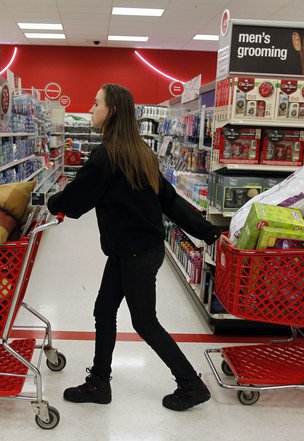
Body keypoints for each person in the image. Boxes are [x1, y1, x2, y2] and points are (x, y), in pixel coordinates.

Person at [47, 84, 220, 411]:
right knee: (104, 310)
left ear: (112, 111)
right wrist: (208, 232)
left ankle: (191, 384)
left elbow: (75, 200)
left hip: (135, 253)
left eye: (96, 103)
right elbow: (171, 202)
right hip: (135, 250)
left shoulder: (107, 156)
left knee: (144, 322)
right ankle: (99, 383)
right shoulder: (140, 152)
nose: (91, 108)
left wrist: (50, 201)